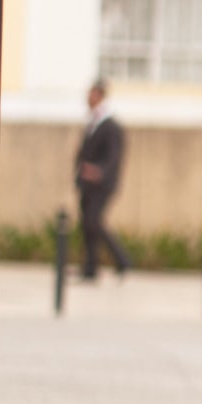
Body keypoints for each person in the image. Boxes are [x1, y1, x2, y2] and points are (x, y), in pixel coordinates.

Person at [74, 80, 132, 281]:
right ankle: (91, 267)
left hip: (102, 184)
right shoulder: (92, 122)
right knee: (88, 224)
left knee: (94, 221)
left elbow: (113, 157)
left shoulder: (111, 126)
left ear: (99, 96)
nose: (88, 98)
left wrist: (99, 171)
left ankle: (122, 259)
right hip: (86, 183)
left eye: (91, 94)